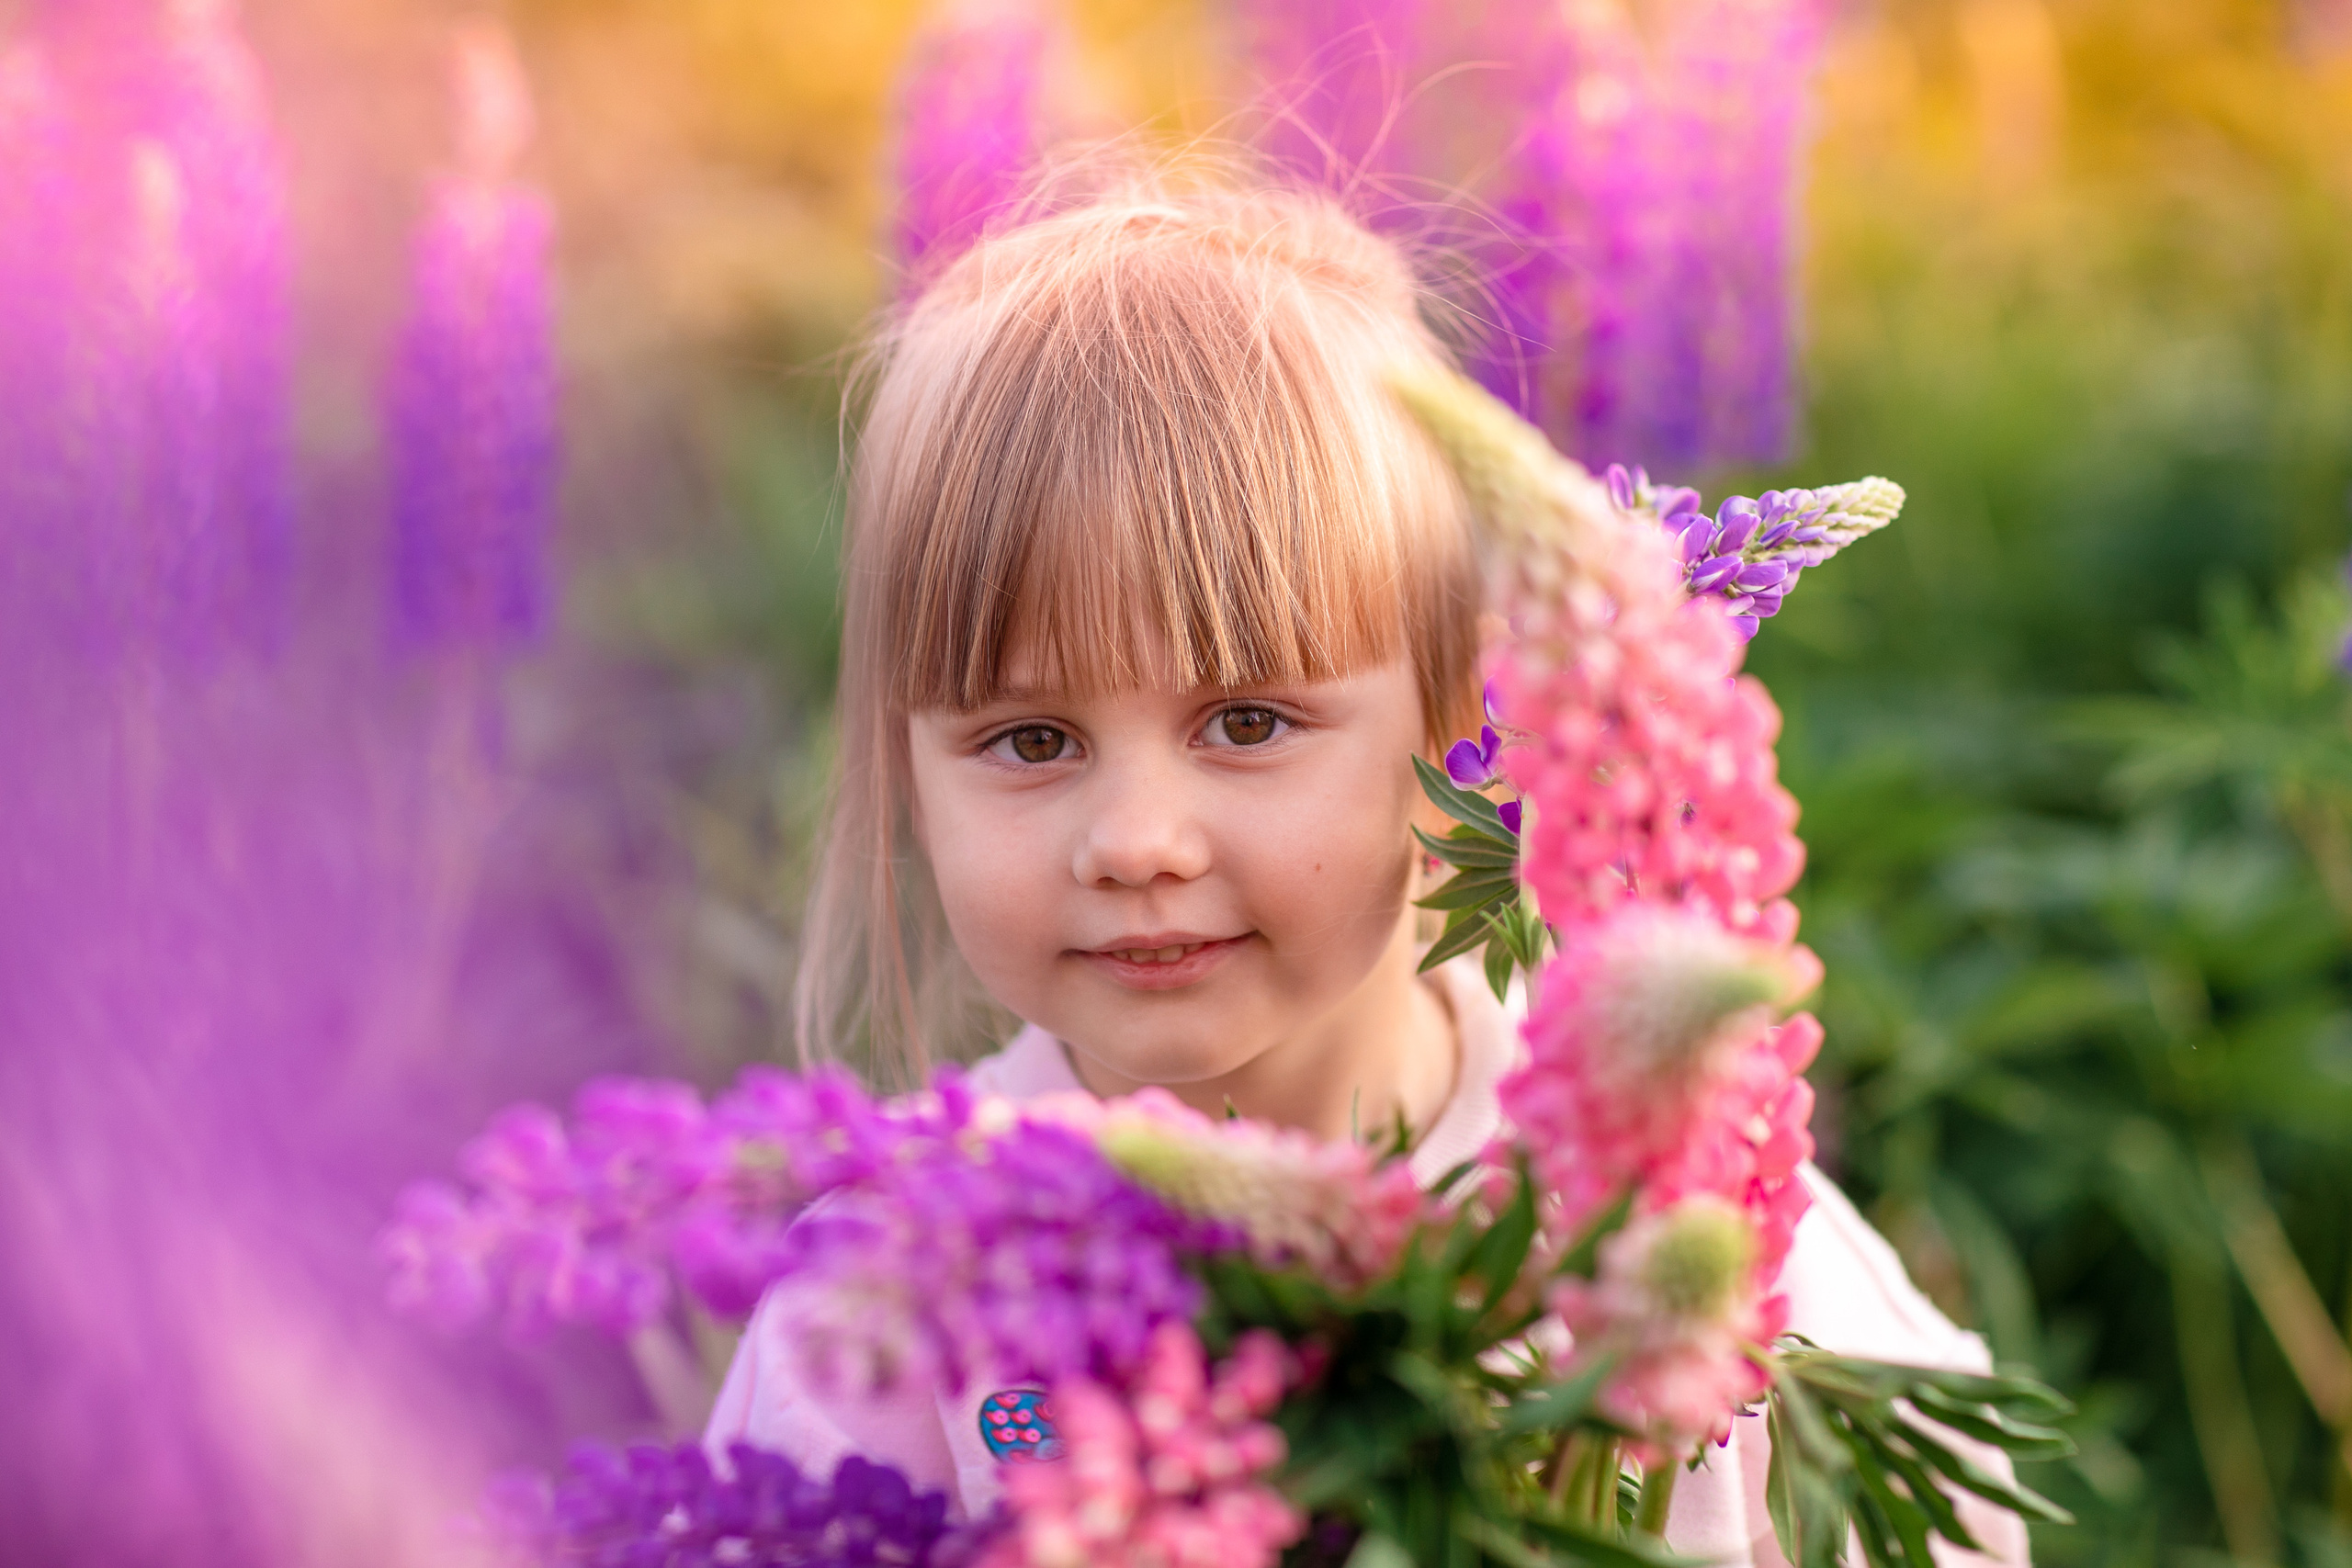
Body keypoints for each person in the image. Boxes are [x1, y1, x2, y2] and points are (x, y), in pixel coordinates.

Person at [705, 171, 2028, 1566]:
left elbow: (1952, 1519)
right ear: (905, 769)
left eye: (1247, 721)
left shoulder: (1672, 1216)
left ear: (1461, 718)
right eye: (1031, 740)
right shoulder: (890, 1294)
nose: (1136, 841)